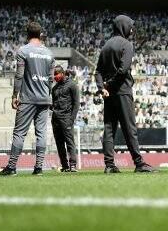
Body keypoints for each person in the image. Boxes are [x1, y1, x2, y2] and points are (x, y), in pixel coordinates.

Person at [95, 15, 156, 173]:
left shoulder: (106, 46)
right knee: (130, 128)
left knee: (109, 129)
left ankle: (109, 165)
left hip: (109, 95)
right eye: (130, 26)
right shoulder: (127, 45)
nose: (132, 29)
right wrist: (108, 84)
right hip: (122, 91)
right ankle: (139, 163)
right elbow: (122, 71)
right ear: (123, 26)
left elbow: (98, 71)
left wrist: (102, 87)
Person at [0, 21, 54, 176]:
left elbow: (19, 75)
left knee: (20, 133)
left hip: (28, 99)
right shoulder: (49, 53)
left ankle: (12, 167)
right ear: (40, 35)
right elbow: (50, 79)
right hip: (44, 99)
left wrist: (15, 95)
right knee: (41, 133)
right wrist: (48, 96)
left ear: (27, 34)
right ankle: (39, 168)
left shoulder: (24, 51)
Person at [51, 65, 80, 172]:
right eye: (54, 74)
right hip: (56, 120)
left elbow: (76, 104)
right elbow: (54, 104)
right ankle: (65, 166)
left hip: (67, 119)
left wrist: (71, 120)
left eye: (57, 74)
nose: (55, 76)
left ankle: (73, 165)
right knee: (59, 144)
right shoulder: (54, 88)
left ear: (62, 73)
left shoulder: (72, 85)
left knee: (69, 143)